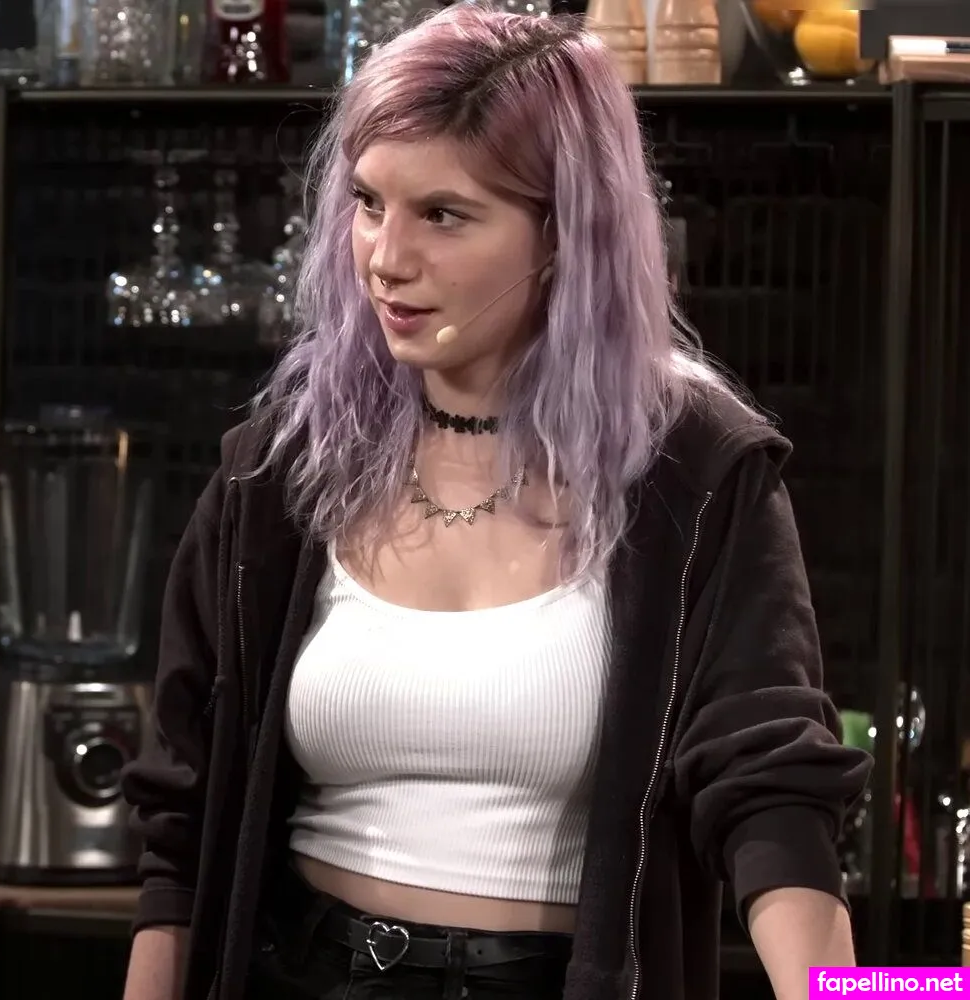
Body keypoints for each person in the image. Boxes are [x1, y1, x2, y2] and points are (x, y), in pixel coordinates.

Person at [119, 5, 873, 1000]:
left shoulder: (693, 467)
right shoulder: (284, 466)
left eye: (443, 214)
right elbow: (180, 819)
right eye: (369, 202)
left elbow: (768, 785)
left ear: (564, 234)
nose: (385, 257)